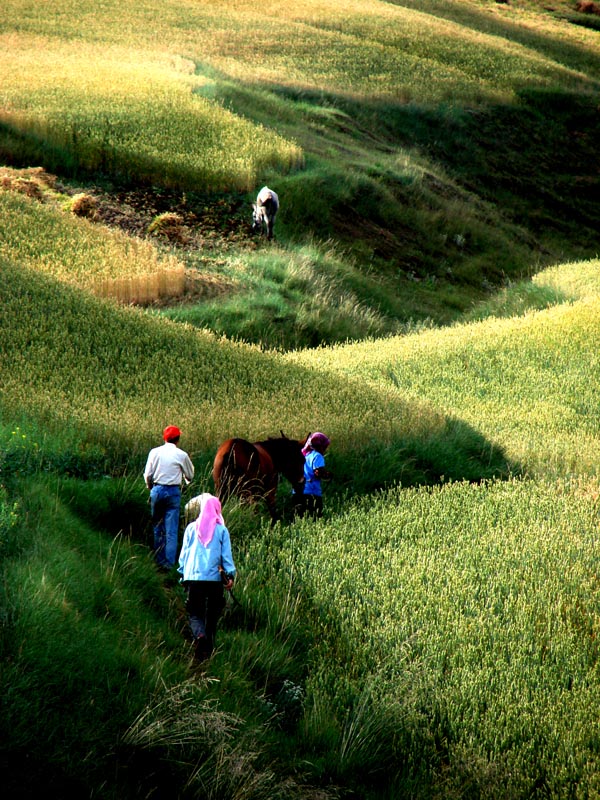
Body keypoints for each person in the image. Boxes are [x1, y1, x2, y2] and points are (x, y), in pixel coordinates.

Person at [178, 493, 236, 662]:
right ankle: (209, 648)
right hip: (214, 580)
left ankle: (200, 636)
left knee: (195, 612)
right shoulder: (222, 531)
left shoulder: (191, 528)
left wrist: (183, 574)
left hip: (193, 577)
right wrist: (230, 575)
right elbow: (226, 557)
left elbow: (184, 555)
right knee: (213, 613)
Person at [144, 425, 195, 570]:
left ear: (164, 438)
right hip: (173, 492)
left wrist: (150, 487)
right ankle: (169, 565)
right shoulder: (182, 455)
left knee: (157, 527)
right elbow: (190, 476)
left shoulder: (154, 452)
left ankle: (158, 561)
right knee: (171, 530)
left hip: (157, 490)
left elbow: (147, 475)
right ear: (178, 439)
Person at [294, 432, 331, 519]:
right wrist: (327, 475)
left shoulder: (304, 455)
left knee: (299, 521)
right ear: (321, 445)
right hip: (311, 493)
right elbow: (318, 472)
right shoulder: (317, 456)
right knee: (315, 519)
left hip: (297, 493)